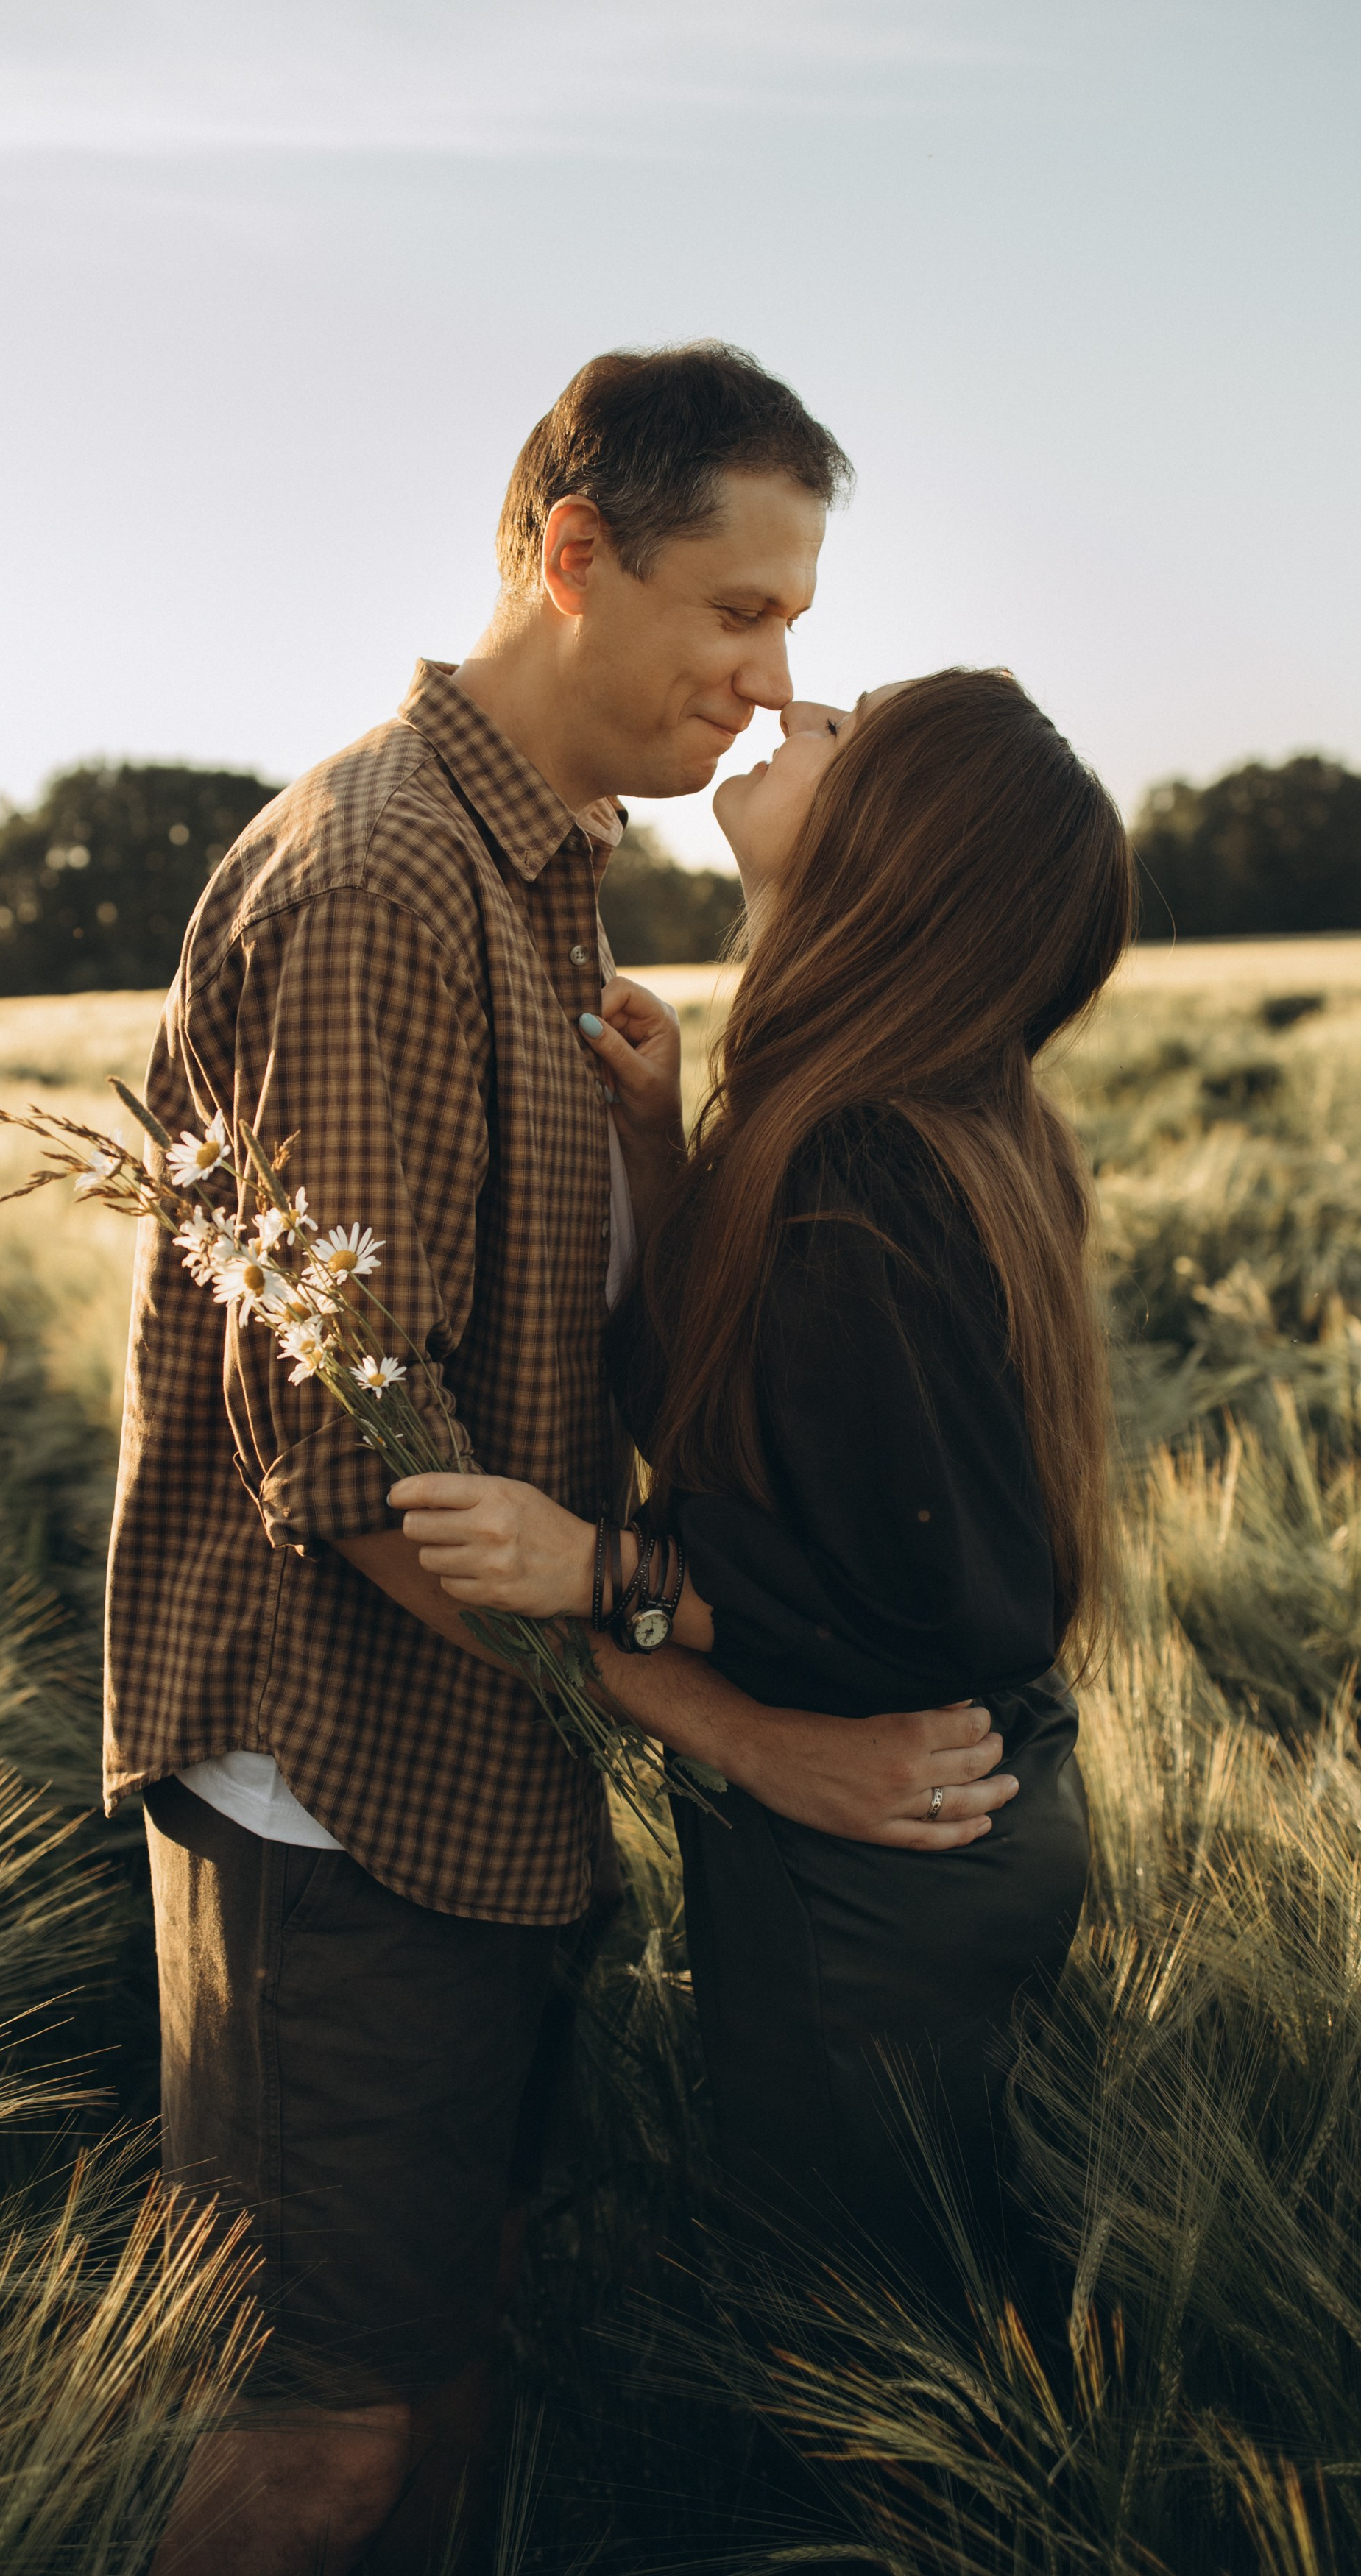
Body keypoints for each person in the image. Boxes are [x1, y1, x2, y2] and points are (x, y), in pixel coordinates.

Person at [105, 348, 1019, 2576]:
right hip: (340, 1788)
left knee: (445, 2367)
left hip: (478, 1761)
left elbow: (541, 1373)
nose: (767, 681)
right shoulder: (380, 884)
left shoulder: (540, 878)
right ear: (569, 552)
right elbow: (349, 1453)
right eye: (736, 612)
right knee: (321, 2423)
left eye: (793, 625)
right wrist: (736, 1736)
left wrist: (643, 1144)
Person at [393, 666, 1134, 2284]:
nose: (795, 710)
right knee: (931, 2309)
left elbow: (920, 1595)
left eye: (848, 732)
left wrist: (601, 1570)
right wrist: (665, 1159)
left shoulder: (861, 1161)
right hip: (943, 1816)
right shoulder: (891, 1117)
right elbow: (745, 1426)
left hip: (891, 1841)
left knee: (862, 2356)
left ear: (896, 847)